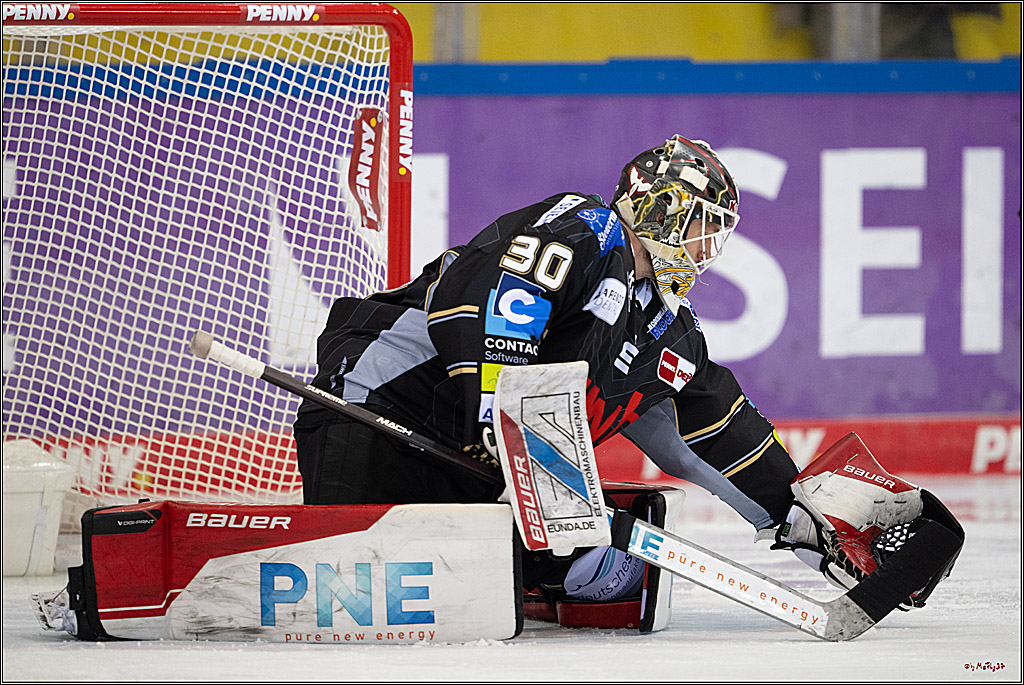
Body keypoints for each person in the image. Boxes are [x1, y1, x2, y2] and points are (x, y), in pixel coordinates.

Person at [293, 135, 954, 612]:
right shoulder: (588, 227)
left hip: (462, 472)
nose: (704, 249)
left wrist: (814, 520)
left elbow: (724, 437)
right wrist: (499, 403)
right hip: (375, 412)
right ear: (659, 205)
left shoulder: (670, 334)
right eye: (700, 225)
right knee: (352, 603)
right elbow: (501, 296)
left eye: (713, 236)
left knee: (590, 575)